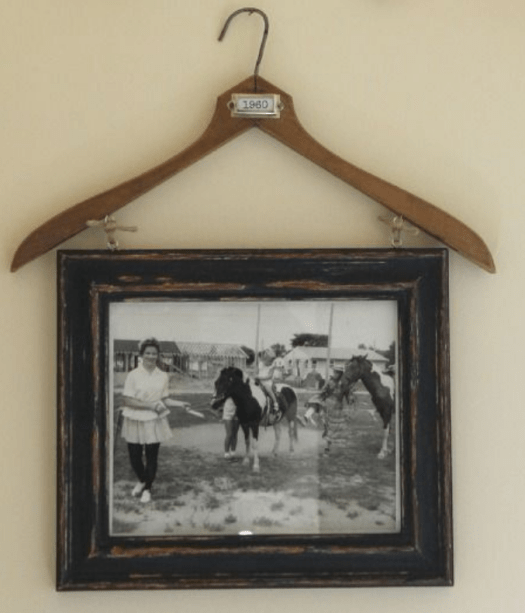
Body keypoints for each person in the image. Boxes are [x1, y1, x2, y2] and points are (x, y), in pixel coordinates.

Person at [120, 337, 190, 503]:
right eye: (148, 353)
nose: (151, 356)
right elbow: (127, 400)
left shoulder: (163, 375)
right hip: (135, 418)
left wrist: (181, 403)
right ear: (141, 355)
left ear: (158, 355)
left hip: (154, 419)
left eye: (154, 353)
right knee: (135, 457)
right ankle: (142, 480)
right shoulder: (133, 375)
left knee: (152, 456)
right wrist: (150, 406)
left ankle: (148, 489)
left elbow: (164, 399)